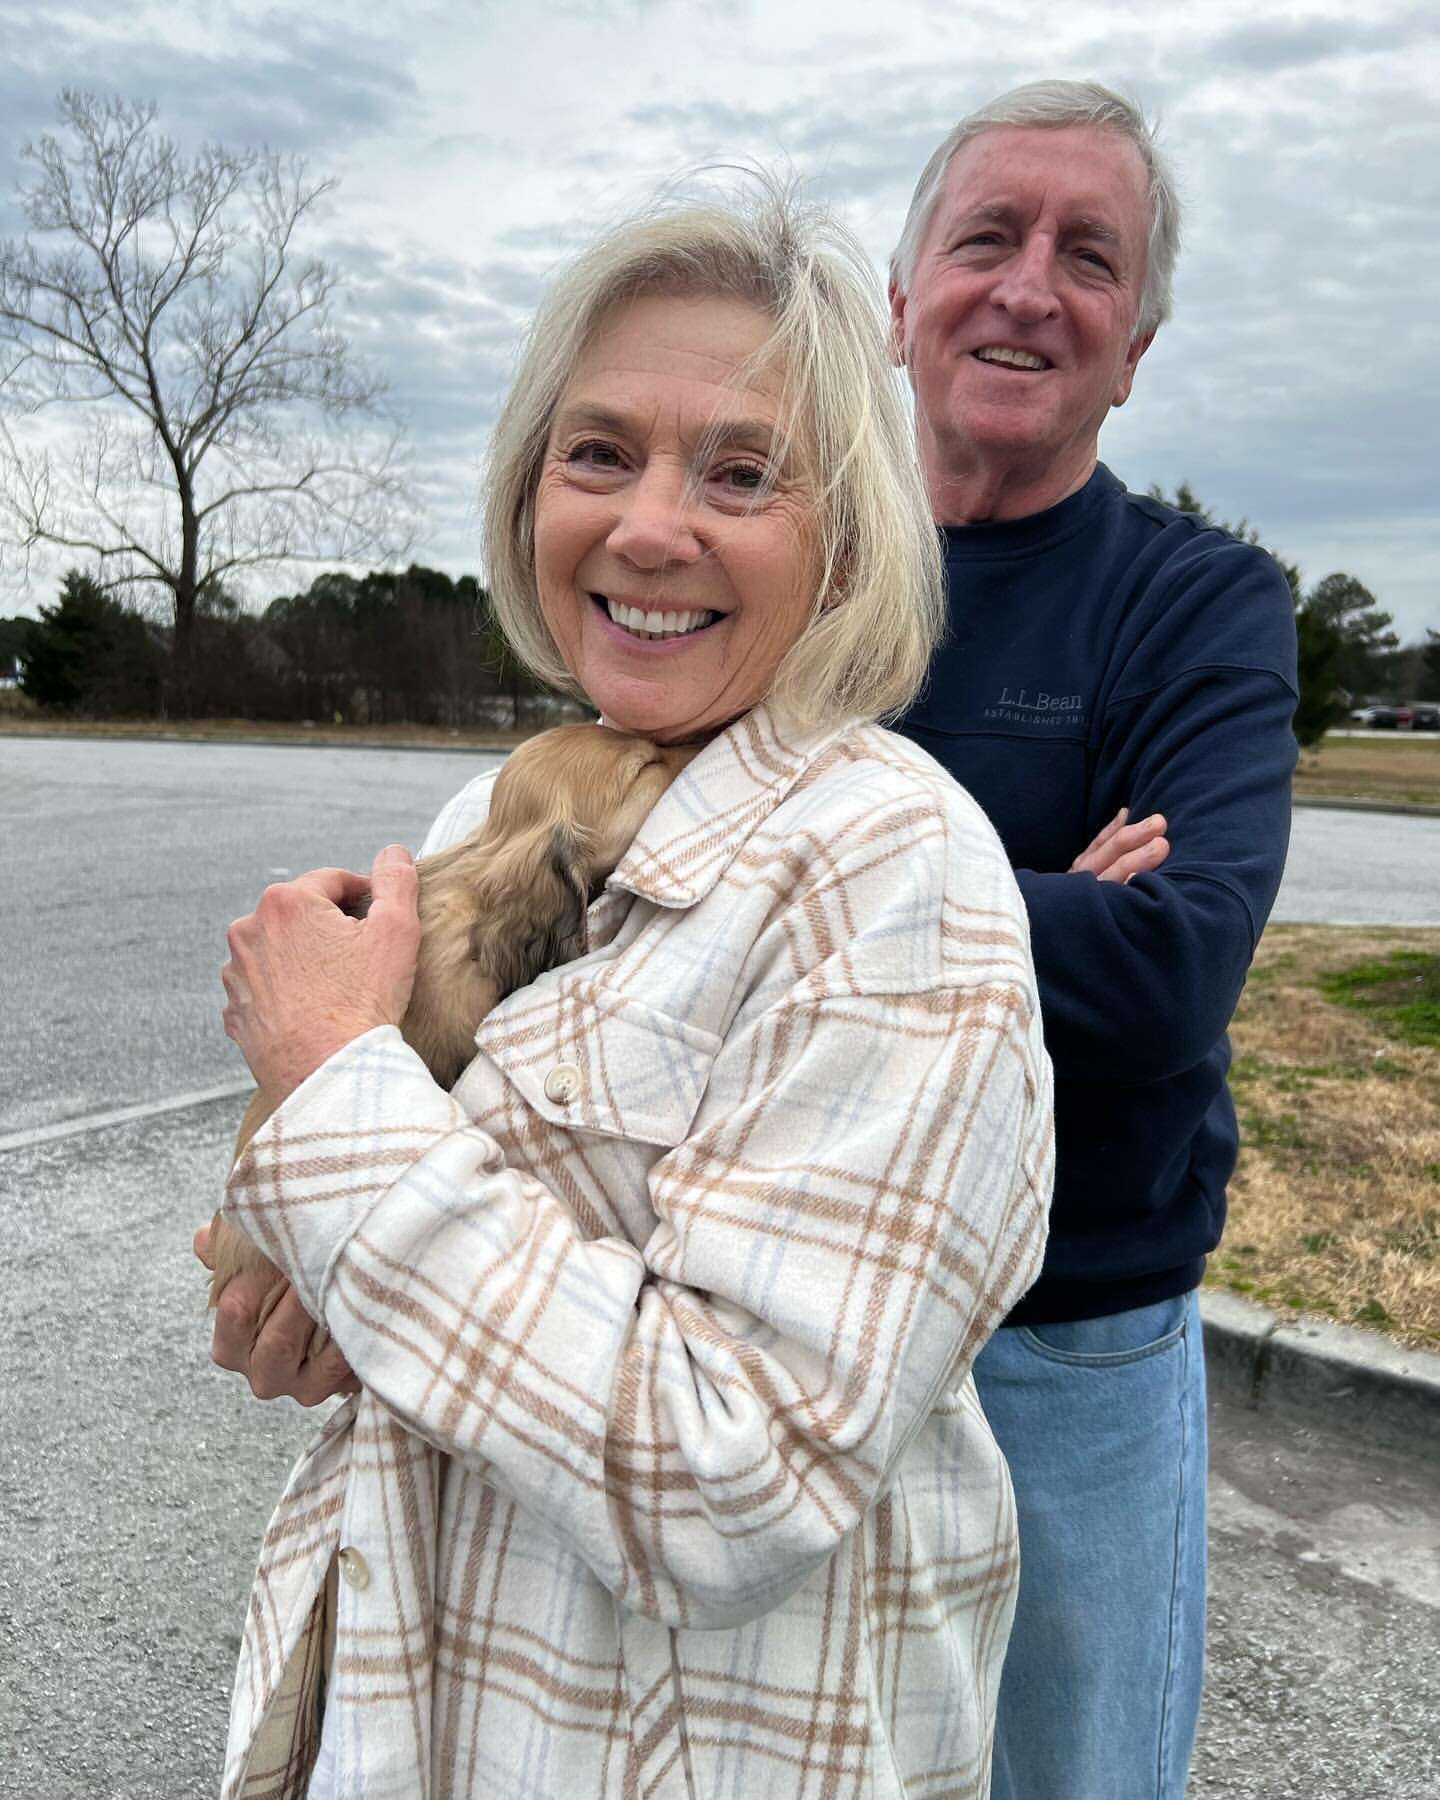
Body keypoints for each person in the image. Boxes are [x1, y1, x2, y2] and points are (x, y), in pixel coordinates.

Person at [200, 180, 1054, 1799]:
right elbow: (400, 1261)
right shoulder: (501, 808)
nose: (651, 526)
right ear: (531, 491)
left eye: (742, 474)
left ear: (851, 540)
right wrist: (303, 1293)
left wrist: (326, 1081)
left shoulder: (893, 870)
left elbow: (732, 1475)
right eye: (599, 454)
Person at [887, 80, 1299, 1800]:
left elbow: (1174, 969)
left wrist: (791, 888)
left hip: (1076, 1336)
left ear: (1134, 345)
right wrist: (1047, 888)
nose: (1030, 288)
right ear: (899, 298)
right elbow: (642, 895)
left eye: (1088, 257)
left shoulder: (1199, 602)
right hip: (770, 1299)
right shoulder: (797, 573)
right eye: (987, 236)